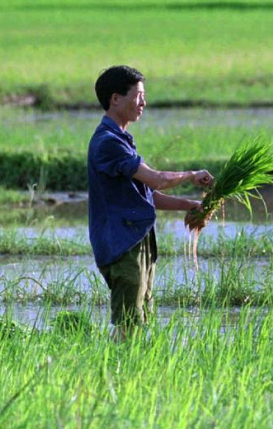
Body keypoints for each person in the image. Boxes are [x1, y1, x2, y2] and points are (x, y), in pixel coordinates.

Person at [88, 65, 213, 340]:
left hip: (137, 239)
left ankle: (132, 363)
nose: (143, 102)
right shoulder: (108, 142)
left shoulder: (122, 140)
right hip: (122, 243)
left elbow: (146, 195)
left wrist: (191, 205)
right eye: (138, 95)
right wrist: (191, 175)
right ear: (115, 98)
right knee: (128, 322)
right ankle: (116, 364)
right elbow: (156, 180)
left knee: (140, 317)